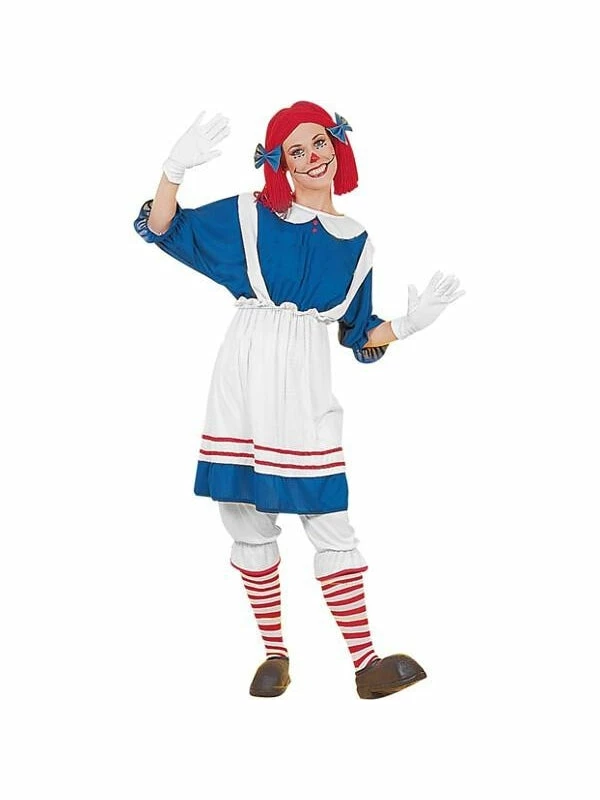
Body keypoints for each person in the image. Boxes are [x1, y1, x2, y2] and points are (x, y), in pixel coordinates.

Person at [133, 101, 465, 699]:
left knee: (329, 515)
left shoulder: (357, 243)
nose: (312, 158)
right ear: (279, 163)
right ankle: (274, 654)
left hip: (305, 387)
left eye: (319, 144)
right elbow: (165, 228)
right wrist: (173, 170)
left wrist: (409, 324)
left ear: (338, 146)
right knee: (246, 515)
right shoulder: (251, 216)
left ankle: (365, 662)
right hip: (243, 376)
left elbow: (359, 334)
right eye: (296, 150)